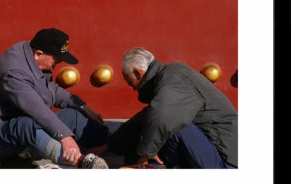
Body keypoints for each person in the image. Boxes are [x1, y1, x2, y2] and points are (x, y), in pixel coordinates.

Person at [0, 28, 110, 168]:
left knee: (74, 116)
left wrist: (82, 106)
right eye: (55, 61)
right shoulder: (14, 73)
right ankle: (80, 160)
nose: (56, 66)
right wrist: (65, 137)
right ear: (38, 54)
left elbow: (51, 89)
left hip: (22, 123)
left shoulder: (31, 55)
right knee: (26, 126)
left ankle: (115, 142)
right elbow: (36, 109)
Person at [90, 47, 238, 169]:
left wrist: (145, 157)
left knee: (174, 125)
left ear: (138, 73)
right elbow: (146, 117)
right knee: (156, 129)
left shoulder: (173, 77)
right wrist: (108, 146)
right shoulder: (169, 77)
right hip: (213, 150)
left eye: (131, 83)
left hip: (224, 160)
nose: (134, 89)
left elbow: (162, 116)